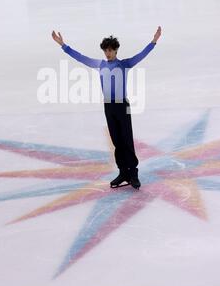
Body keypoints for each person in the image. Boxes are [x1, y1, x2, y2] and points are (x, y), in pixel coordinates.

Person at [52, 26, 161, 190]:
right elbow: (80, 57)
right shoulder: (100, 64)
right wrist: (63, 45)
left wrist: (153, 41)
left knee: (126, 140)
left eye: (110, 50)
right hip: (108, 106)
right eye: (106, 51)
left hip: (122, 106)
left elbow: (141, 55)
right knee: (117, 141)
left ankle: (133, 173)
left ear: (116, 50)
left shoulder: (124, 64)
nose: (108, 53)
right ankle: (123, 171)